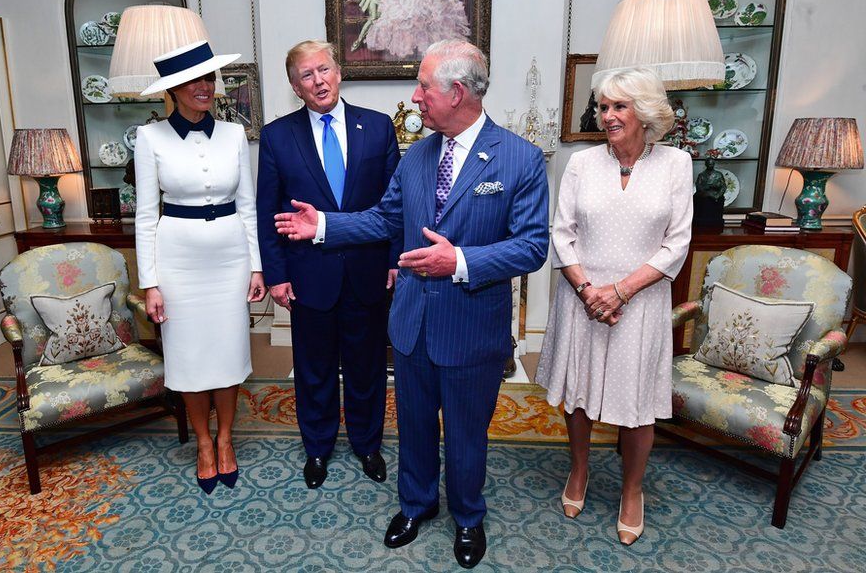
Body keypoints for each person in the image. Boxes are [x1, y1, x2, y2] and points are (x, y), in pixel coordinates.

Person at [275, 39, 549, 569]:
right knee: (416, 425)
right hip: (412, 325)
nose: (415, 95)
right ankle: (416, 504)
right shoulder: (420, 155)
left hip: (471, 327)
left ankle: (468, 516)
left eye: (424, 86)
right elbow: (384, 218)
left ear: (458, 92)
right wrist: (325, 226)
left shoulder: (519, 158)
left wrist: (460, 262)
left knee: (467, 435)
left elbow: (533, 245)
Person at [534, 66, 692, 545]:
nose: (607, 116)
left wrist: (620, 291)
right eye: (603, 107)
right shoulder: (581, 163)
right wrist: (589, 291)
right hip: (581, 298)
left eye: (619, 106)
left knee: (639, 403)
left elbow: (677, 243)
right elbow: (561, 233)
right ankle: (579, 471)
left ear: (644, 112)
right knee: (579, 393)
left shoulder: (675, 164)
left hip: (639, 302)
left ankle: (631, 490)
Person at [256, 40, 401, 490]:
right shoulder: (278, 136)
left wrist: (395, 259)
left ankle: (367, 444)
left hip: (368, 271)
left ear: (339, 72)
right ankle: (317, 447)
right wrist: (277, 275)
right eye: (306, 75)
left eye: (324, 70)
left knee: (367, 366)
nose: (318, 81)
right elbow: (268, 211)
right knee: (314, 368)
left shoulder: (377, 128)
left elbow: (395, 206)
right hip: (308, 275)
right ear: (295, 86)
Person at [134, 40, 266, 495]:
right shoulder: (149, 138)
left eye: (209, 78)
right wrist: (149, 282)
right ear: (173, 88)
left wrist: (256, 266)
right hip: (178, 263)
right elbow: (146, 216)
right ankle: (204, 444)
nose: (205, 87)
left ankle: (227, 439)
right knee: (190, 356)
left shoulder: (233, 134)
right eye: (194, 79)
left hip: (230, 258)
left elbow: (248, 205)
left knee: (228, 353)